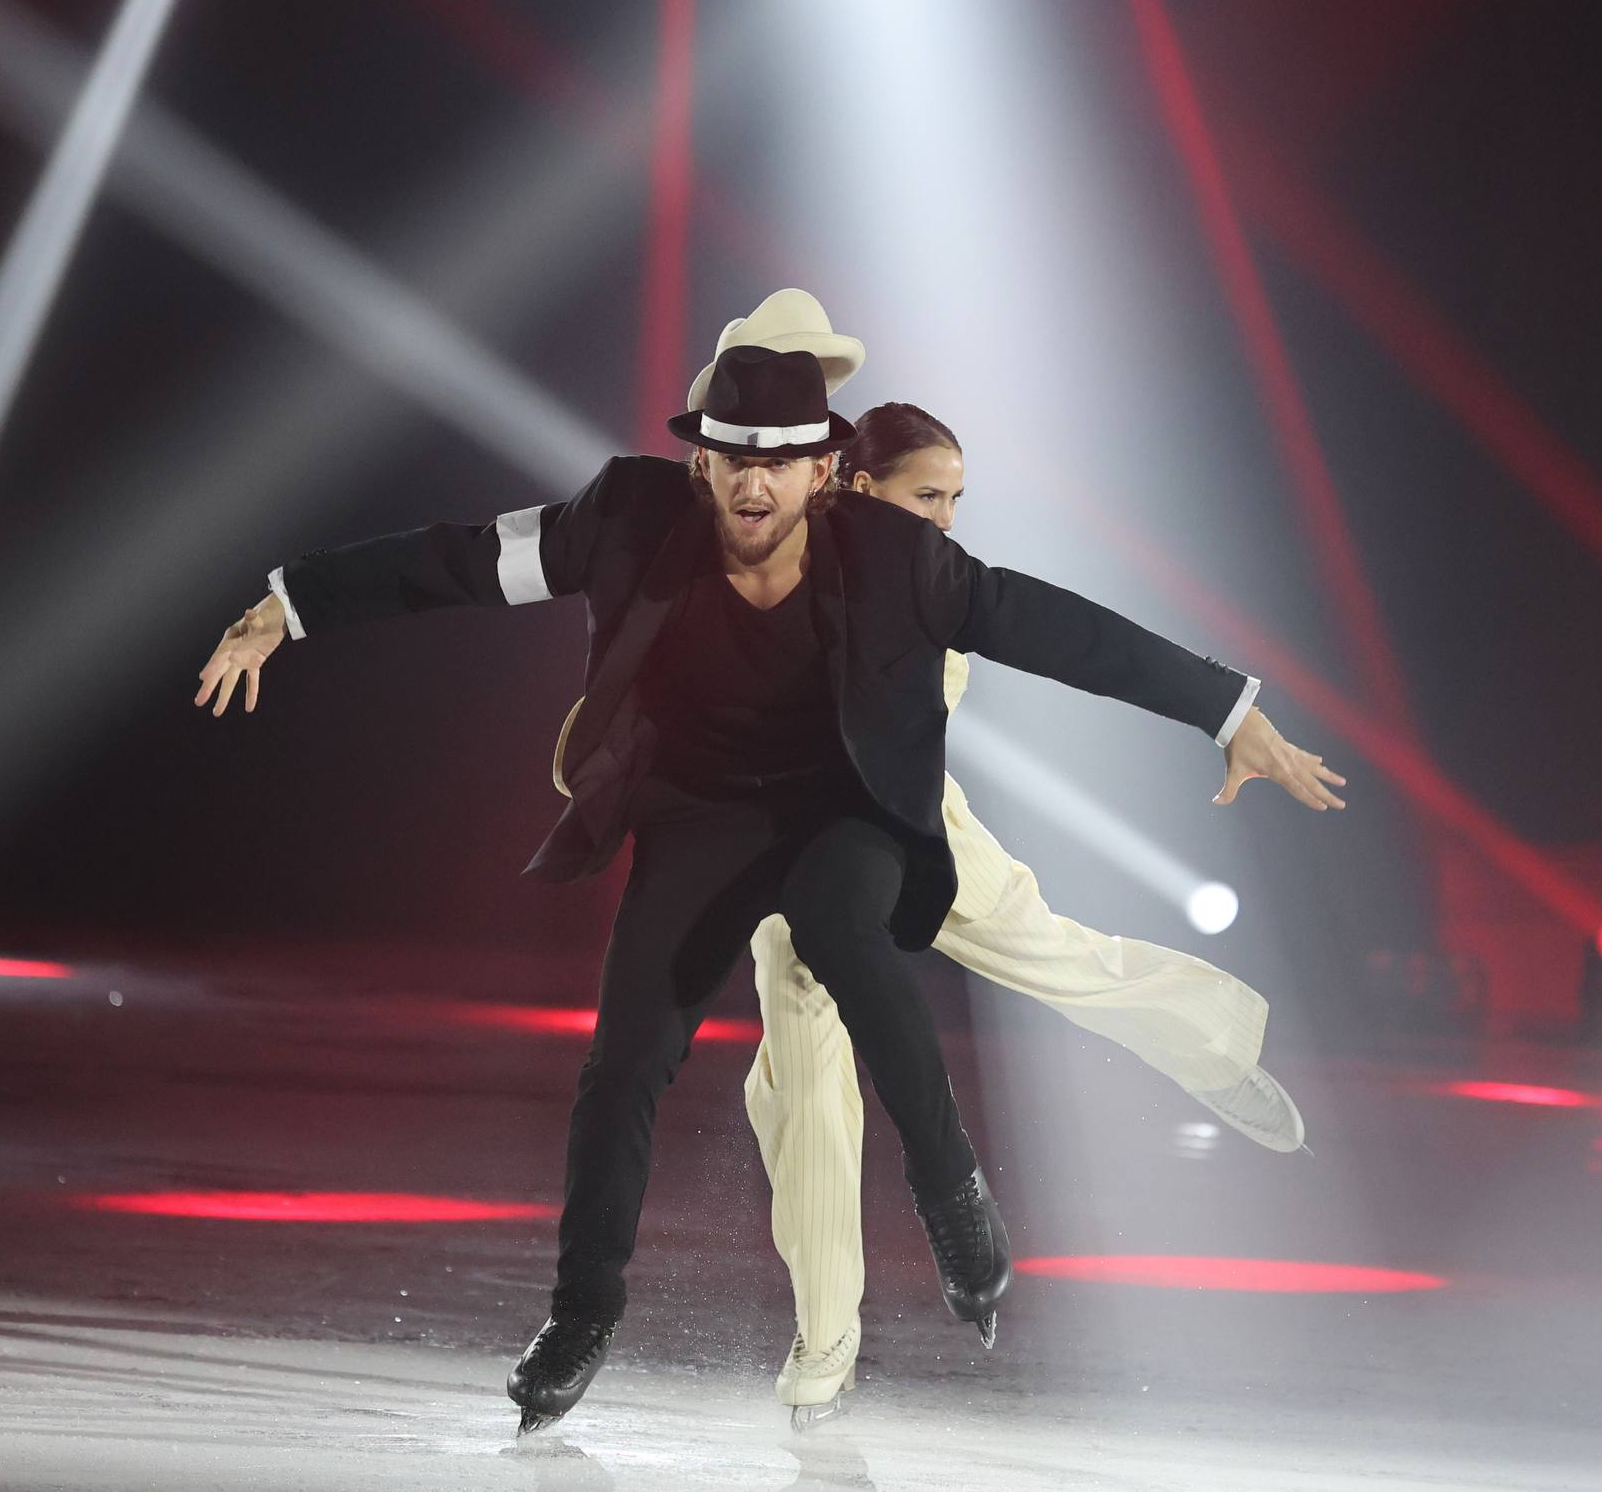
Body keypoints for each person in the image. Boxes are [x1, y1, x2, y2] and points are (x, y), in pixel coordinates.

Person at [192, 302, 1341, 1437]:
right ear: (700, 461)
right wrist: (290, 606)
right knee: (628, 1061)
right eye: (733, 458)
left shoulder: (893, 553)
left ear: (821, 471)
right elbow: (464, 559)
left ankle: (953, 1193)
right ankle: (588, 1314)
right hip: (702, 822)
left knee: (864, 935)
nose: (754, 483)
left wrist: (1225, 709)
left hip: (852, 810)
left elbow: (1050, 625)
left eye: (780, 461)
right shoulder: (628, 517)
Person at [742, 397, 1331, 1427]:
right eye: (927, 496)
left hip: (917, 823)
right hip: (791, 851)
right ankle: (825, 1333)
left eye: (955, 500)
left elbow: (1071, 634)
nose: (945, 518)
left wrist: (1225, 710)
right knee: (799, 1068)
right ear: (860, 487)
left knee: (1053, 952)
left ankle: (1208, 1047)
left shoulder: (929, 574)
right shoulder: (767, 556)